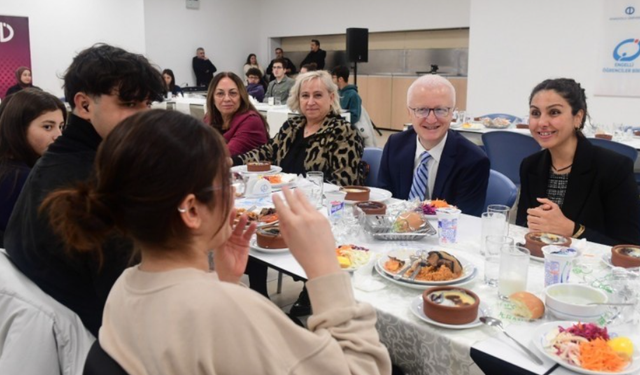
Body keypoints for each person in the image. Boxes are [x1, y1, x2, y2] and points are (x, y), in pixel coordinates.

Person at [43, 109, 390, 374]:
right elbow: (362, 366)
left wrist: (222, 283)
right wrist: (324, 267)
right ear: (191, 210)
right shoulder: (226, 311)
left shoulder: (125, 285)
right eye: (225, 180)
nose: (234, 195)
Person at [4, 44, 165, 337]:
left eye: (147, 104)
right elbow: (131, 302)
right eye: (129, 104)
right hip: (99, 341)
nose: (144, 117)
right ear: (84, 105)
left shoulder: (51, 165)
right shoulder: (97, 186)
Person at [516, 78, 640, 246]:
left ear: (578, 118)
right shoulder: (530, 165)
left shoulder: (613, 168)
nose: (542, 123)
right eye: (535, 113)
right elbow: (523, 227)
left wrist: (573, 230)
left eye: (554, 112)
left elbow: (630, 246)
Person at [378, 74, 489, 217]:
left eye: (440, 110)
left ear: (452, 113)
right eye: (421, 110)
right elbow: (384, 202)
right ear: (409, 113)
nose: (431, 119)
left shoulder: (473, 161)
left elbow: (465, 222)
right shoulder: (395, 145)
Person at [0, 89, 65, 246]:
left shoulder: (10, 165)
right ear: (20, 129)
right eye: (48, 127)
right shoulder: (19, 177)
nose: (59, 135)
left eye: (61, 126)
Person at [206, 72, 269, 156]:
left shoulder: (251, 121)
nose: (227, 99)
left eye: (233, 93)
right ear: (212, 98)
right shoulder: (209, 118)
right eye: (220, 93)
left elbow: (224, 156)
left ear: (241, 96)